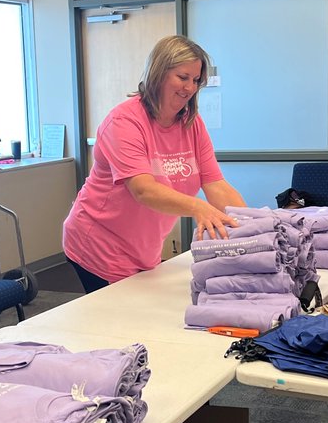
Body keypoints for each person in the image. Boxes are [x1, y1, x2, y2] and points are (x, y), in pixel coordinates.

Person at [62, 35, 246, 293]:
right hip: (99, 243)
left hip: (142, 247)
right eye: (183, 77)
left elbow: (215, 184)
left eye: (195, 80)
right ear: (159, 73)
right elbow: (143, 190)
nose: (190, 88)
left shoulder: (192, 124)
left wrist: (251, 224)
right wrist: (198, 207)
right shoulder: (124, 122)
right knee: (122, 312)